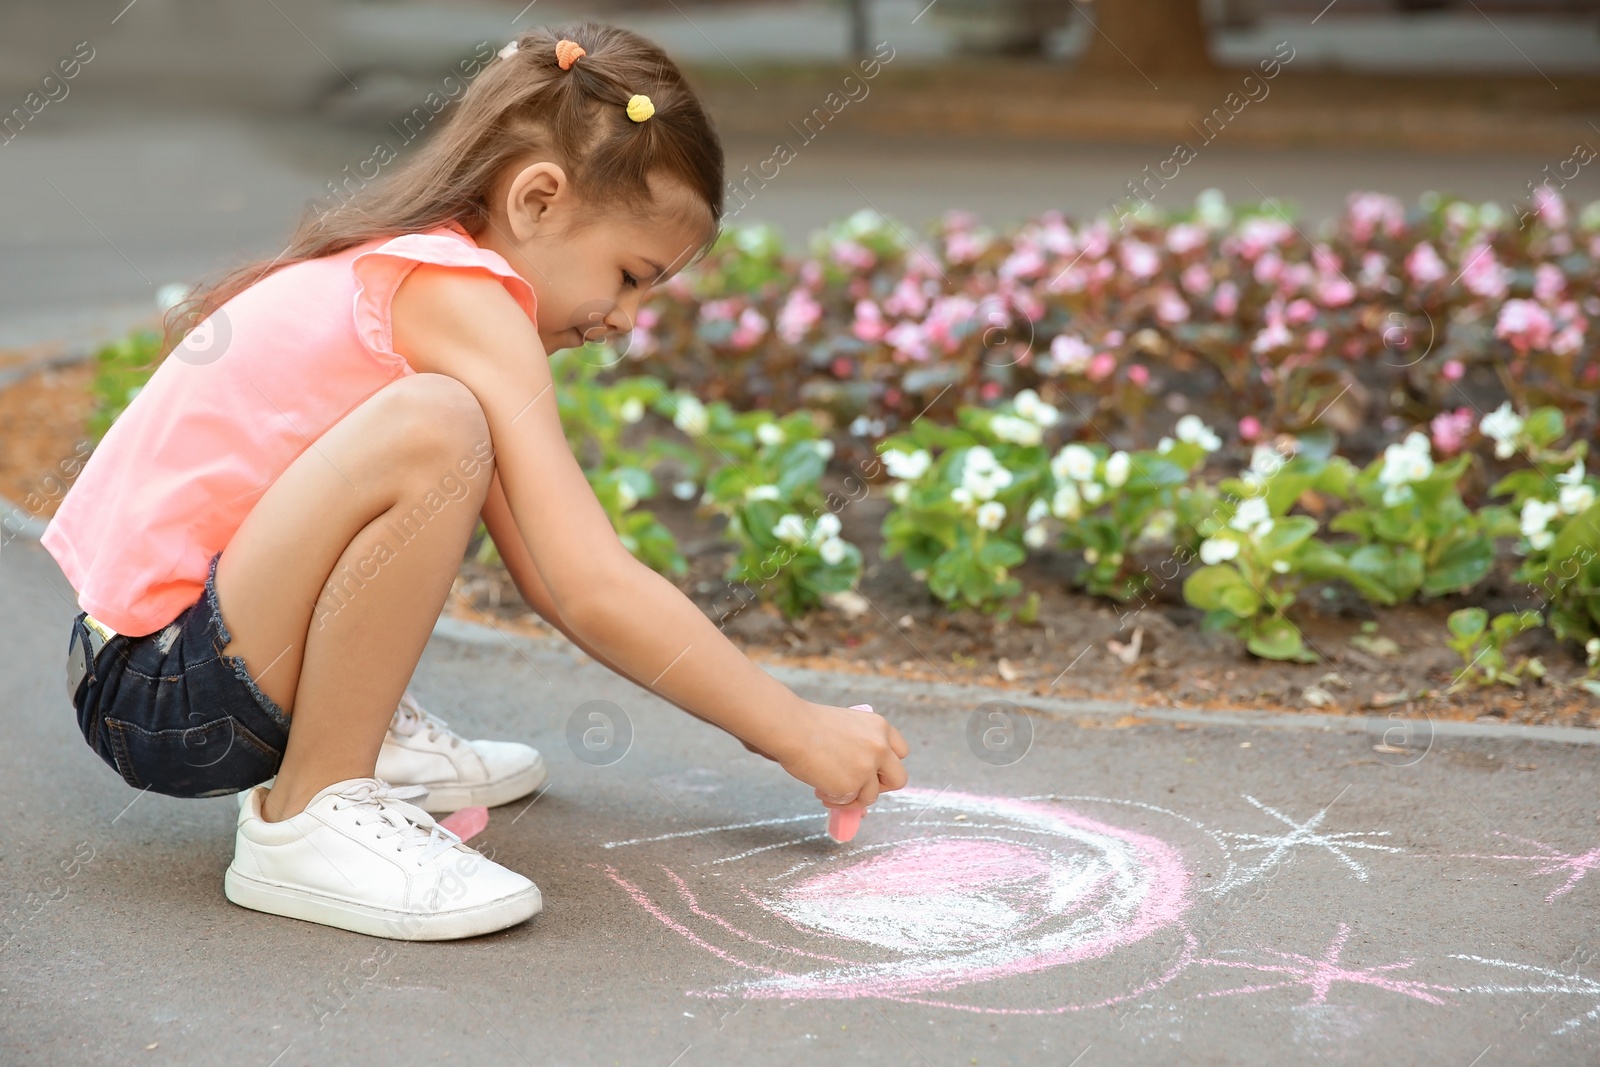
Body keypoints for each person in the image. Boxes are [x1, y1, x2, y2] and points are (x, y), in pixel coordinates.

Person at [44, 23, 909, 942]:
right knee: (438, 425)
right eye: (630, 276)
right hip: (162, 693)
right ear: (537, 198)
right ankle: (310, 811)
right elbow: (589, 580)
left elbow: (546, 570)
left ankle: (355, 727)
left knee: (445, 423)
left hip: (170, 666)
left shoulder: (429, 279)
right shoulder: (459, 298)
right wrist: (794, 729)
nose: (626, 319)